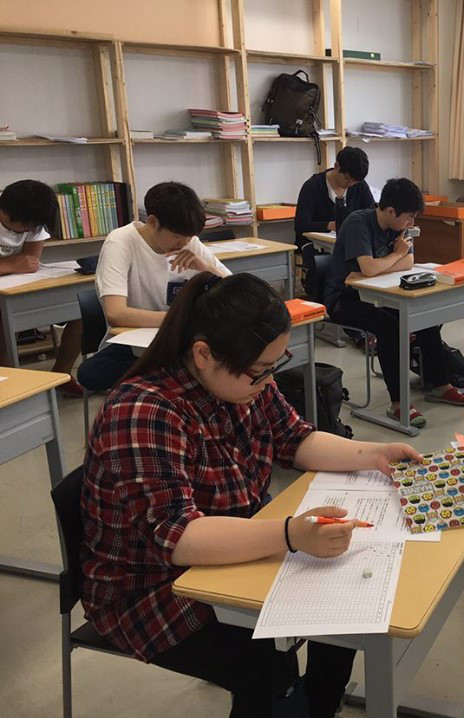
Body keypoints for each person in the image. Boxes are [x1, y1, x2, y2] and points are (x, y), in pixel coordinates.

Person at [80, 271, 420, 717]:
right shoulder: (143, 411)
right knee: (262, 662)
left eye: (274, 366)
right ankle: (286, 698)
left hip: (234, 551)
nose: (268, 381)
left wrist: (374, 454)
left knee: (343, 600)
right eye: (261, 371)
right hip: (151, 589)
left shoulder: (245, 382)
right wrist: (291, 535)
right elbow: (181, 538)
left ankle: (317, 704)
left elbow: (295, 439)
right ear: (203, 354)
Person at [324, 177, 464, 428]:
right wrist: (395, 256)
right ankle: (398, 403)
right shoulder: (359, 222)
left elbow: (407, 263)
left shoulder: (398, 226)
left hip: (380, 294)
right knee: (389, 326)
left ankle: (441, 384)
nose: (411, 224)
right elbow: (372, 267)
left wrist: (380, 265)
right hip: (344, 298)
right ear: (390, 211)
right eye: (409, 218)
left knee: (423, 315)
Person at [78, 181, 230, 392]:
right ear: (152, 222)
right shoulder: (121, 242)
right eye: (177, 236)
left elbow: (236, 292)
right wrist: (179, 320)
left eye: (190, 237)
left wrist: (207, 268)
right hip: (134, 345)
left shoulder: (189, 242)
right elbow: (116, 314)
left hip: (180, 341)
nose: (184, 243)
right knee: (91, 374)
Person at [0, 179, 83, 392]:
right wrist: (10, 265)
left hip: (19, 287)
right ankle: (10, 386)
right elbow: (20, 263)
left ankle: (62, 375)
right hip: (4, 296)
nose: (31, 231)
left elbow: (30, 261)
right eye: (25, 228)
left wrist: (15, 265)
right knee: (4, 320)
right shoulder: (19, 211)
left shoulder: (33, 219)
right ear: (5, 214)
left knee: (82, 309)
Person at [294, 146, 375, 249]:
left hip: (351, 243)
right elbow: (300, 225)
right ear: (337, 166)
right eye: (348, 179)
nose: (351, 184)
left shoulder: (360, 185)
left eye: (355, 181)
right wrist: (328, 225)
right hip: (317, 246)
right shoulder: (313, 187)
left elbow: (371, 215)